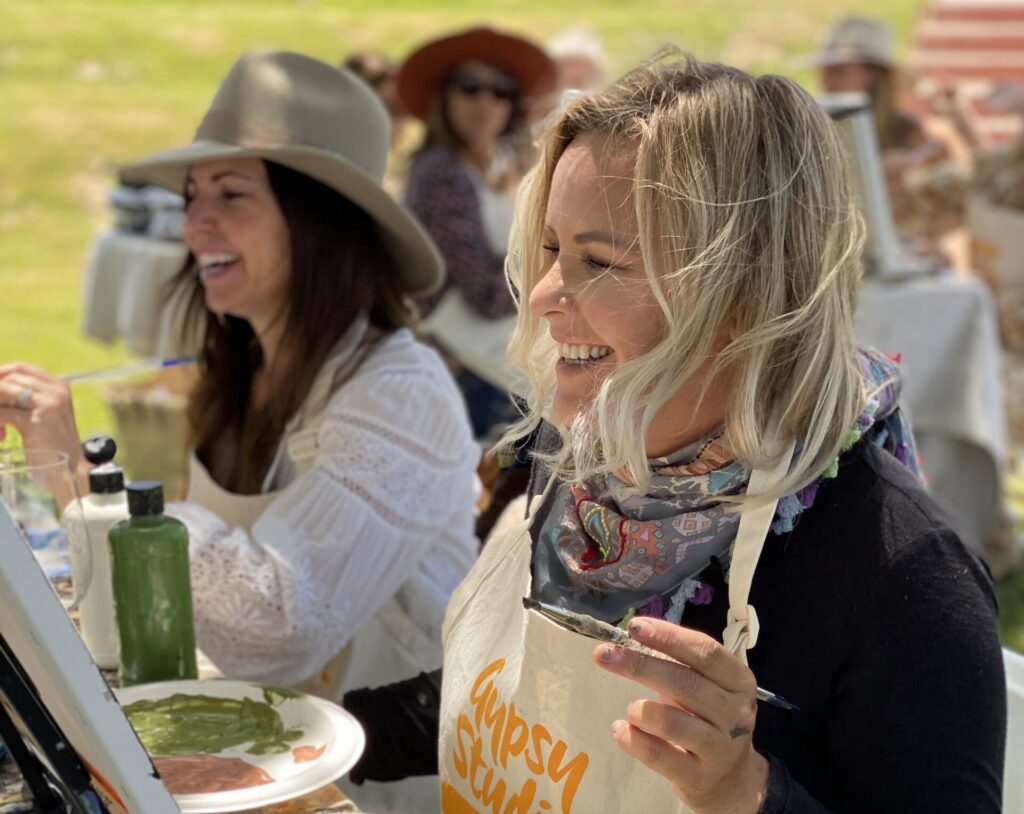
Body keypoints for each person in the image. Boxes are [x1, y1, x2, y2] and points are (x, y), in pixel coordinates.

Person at [343, 51, 1006, 812]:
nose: (546, 294)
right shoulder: (583, 455)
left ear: (744, 298)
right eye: (552, 248)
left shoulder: (903, 573)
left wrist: (746, 791)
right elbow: (511, 694)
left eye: (598, 261)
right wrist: (311, 733)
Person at [0, 52, 481, 704]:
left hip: (379, 761)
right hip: (257, 730)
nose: (194, 224)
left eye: (231, 194)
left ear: (321, 219)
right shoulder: (240, 367)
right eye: (192, 196)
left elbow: (284, 622)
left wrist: (85, 484)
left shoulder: (401, 394)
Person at [397, 26, 556, 441]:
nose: (485, 101)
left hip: (496, 364)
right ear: (444, 97)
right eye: (469, 86)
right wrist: (556, 263)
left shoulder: (497, 167)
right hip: (471, 372)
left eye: (500, 90)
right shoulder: (441, 173)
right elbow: (486, 294)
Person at [813, 15, 965, 243]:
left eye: (839, 70)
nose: (828, 80)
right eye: (825, 70)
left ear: (873, 74)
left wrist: (912, 182)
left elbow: (958, 206)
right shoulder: (814, 129)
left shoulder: (916, 133)